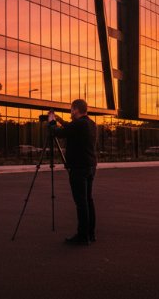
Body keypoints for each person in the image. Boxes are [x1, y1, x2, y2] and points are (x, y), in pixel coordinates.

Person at [48, 99, 97, 246]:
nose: (71, 112)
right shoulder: (90, 123)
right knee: (88, 200)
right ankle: (90, 233)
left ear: (76, 109)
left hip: (78, 168)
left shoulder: (78, 124)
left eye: (71, 109)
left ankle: (82, 236)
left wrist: (51, 122)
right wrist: (60, 119)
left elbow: (57, 133)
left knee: (81, 202)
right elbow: (70, 128)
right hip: (90, 166)